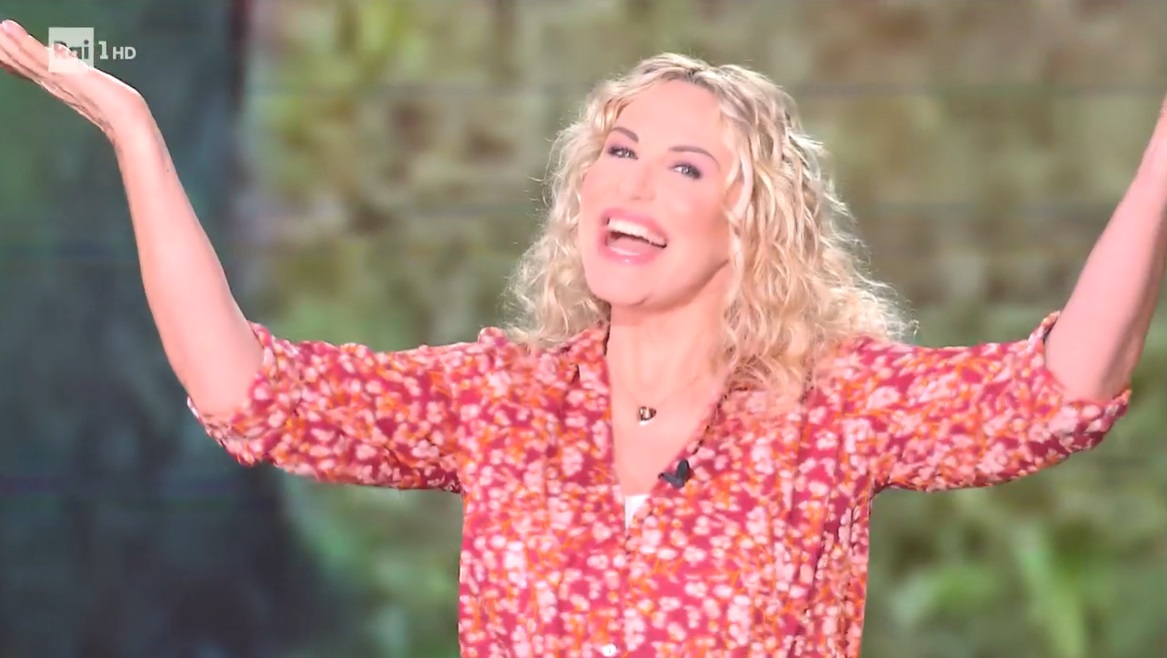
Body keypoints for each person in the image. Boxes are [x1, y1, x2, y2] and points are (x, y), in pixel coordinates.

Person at [2, 17, 1162, 657]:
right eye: (618, 151)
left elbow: (1054, 394)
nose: (633, 184)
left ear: (750, 228)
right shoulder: (501, 399)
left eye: (685, 167)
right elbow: (246, 393)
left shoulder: (825, 409)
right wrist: (137, 135)